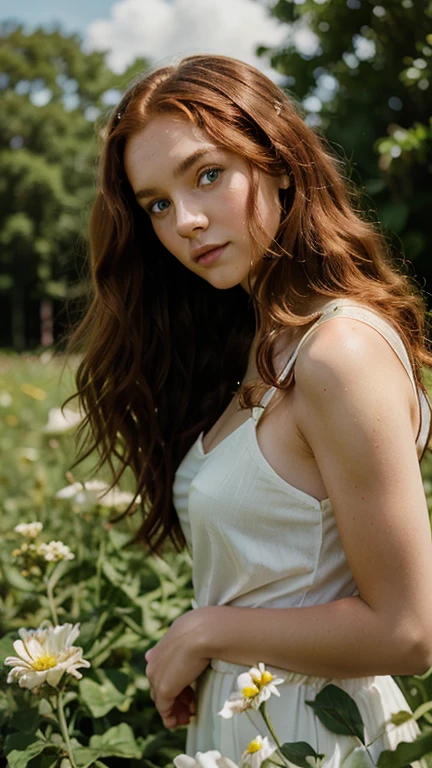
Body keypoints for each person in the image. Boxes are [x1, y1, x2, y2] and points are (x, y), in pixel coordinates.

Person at [65, 54, 432, 766]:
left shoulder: (339, 352)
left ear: (282, 162)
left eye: (208, 174)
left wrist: (204, 632)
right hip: (246, 724)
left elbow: (409, 630)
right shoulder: (262, 349)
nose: (187, 222)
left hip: (319, 735)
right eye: (157, 204)